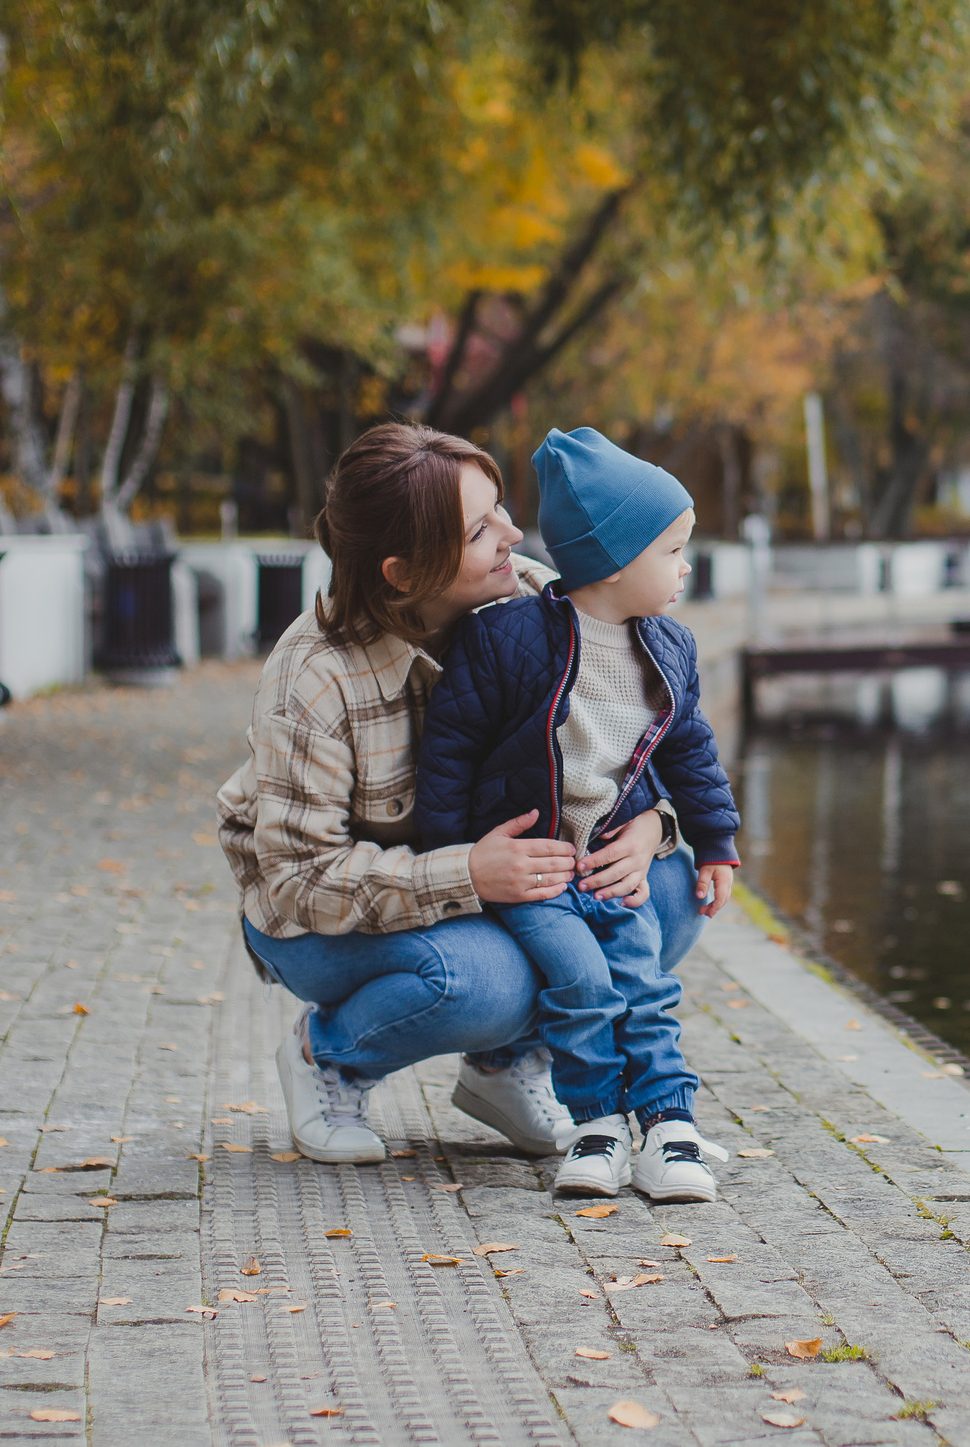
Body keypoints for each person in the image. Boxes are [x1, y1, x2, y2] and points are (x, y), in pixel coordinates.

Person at [215, 423, 727, 1164]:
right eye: (481, 528)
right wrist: (469, 873)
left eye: (502, 512)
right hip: (322, 923)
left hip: (500, 882)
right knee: (489, 980)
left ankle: (504, 1068)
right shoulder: (313, 678)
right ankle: (326, 1056)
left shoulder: (526, 598)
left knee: (667, 895)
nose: (515, 535)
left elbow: (637, 729)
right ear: (403, 570)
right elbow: (300, 882)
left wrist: (651, 824)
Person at [415, 428, 741, 1202]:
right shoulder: (506, 639)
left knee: (645, 981)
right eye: (673, 550)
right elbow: (451, 749)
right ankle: (595, 1124)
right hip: (534, 871)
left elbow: (691, 751)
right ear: (616, 559)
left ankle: (668, 1123)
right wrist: (455, 856)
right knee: (585, 982)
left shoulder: (670, 649)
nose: (686, 566)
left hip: (606, 862)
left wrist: (714, 839)